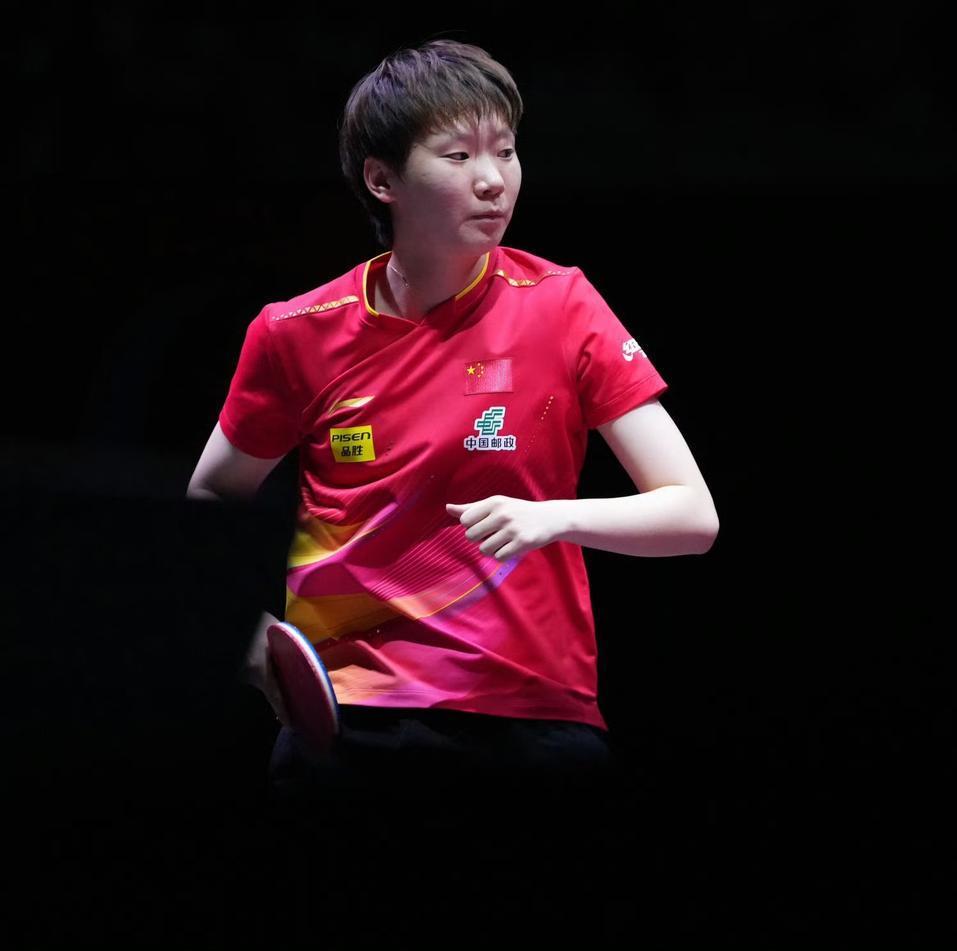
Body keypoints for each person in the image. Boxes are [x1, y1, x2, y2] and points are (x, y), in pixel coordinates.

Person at [186, 38, 718, 925]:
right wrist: (241, 634)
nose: (494, 179)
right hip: (347, 730)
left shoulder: (563, 305)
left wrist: (551, 518)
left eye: (506, 150)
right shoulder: (295, 333)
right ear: (382, 180)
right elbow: (207, 503)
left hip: (532, 728)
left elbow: (691, 514)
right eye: (460, 154)